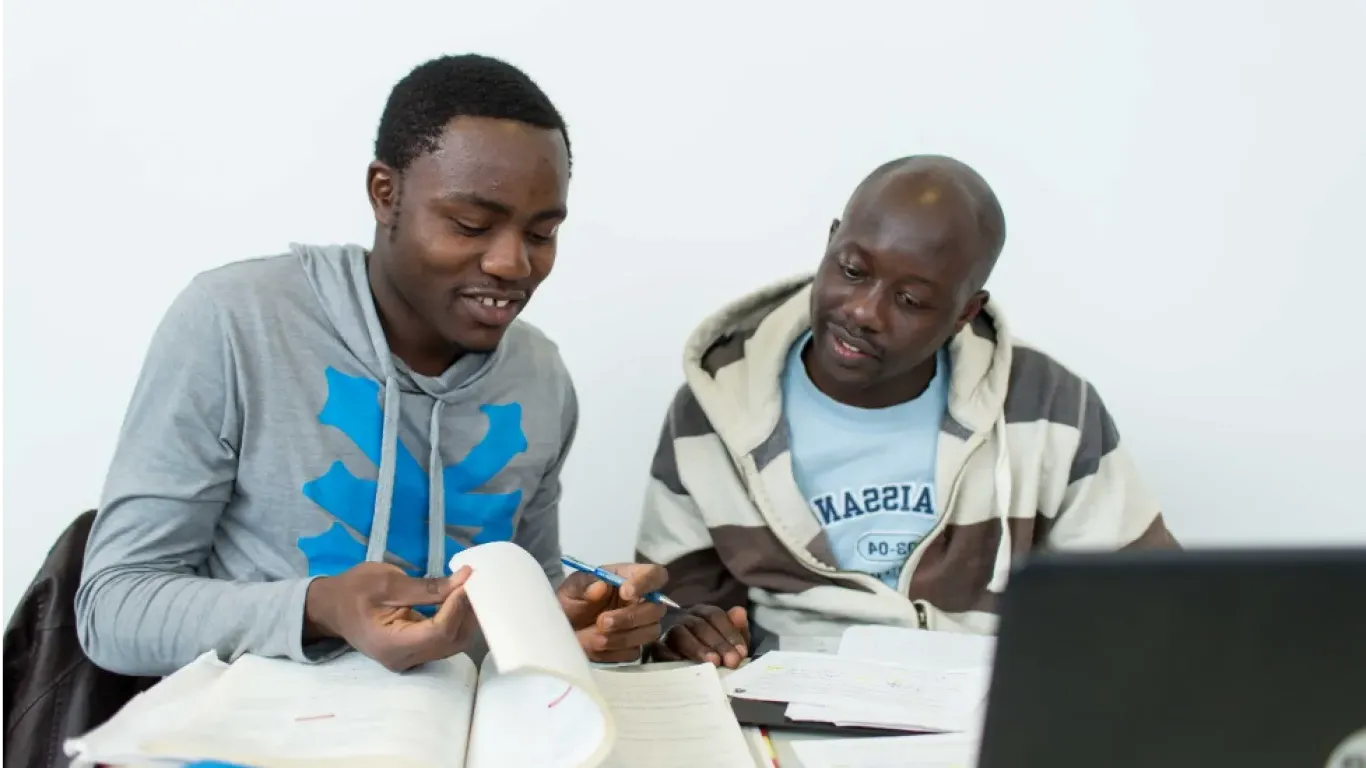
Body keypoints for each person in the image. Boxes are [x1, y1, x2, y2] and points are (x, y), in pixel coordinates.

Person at [76, 54, 667, 677]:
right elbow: (112, 609)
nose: (512, 264)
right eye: (471, 225)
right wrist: (318, 607)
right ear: (386, 195)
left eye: (542, 234)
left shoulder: (541, 376)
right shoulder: (234, 323)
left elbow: (513, 604)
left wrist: (567, 619)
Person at [636, 155, 1179, 668]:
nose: (863, 311)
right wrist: (683, 627)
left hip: (985, 709)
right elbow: (673, 603)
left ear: (965, 312)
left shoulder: (1052, 406)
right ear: (830, 244)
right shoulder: (713, 406)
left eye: (911, 301)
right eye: (852, 270)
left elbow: (1148, 597)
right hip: (791, 706)